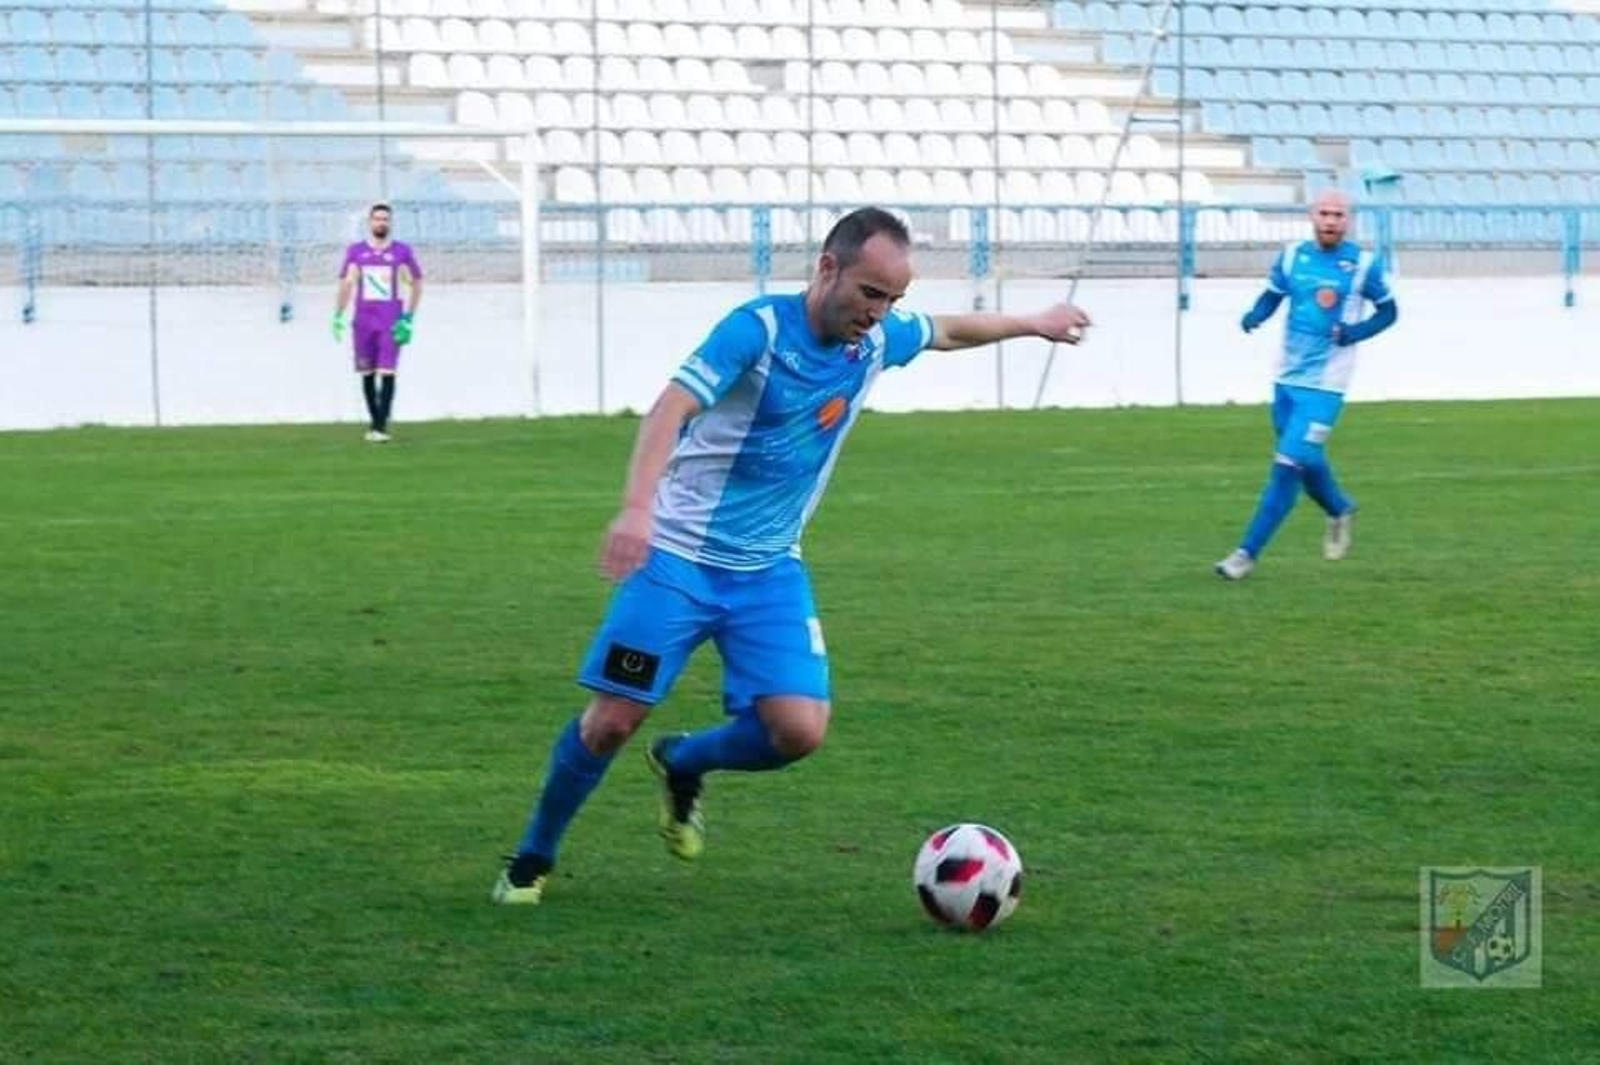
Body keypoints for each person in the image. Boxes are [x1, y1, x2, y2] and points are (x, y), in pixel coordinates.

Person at [493, 207, 1093, 904]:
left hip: (769, 571)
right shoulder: (758, 330)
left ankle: (683, 761)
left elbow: (951, 330)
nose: (880, 313)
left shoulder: (871, 344)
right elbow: (669, 408)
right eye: (871, 293)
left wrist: (1038, 321)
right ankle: (532, 856)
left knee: (798, 730)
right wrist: (635, 507)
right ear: (827, 268)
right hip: (676, 564)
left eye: (893, 300)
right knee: (611, 721)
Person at [1214, 189, 1398, 581]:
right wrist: (1255, 315)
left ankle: (1245, 554)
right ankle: (1338, 508)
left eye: (1338, 215)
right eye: (1324, 213)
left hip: (1326, 386)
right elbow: (1273, 295)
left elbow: (1389, 312)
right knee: (1305, 460)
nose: (1330, 221)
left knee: (1286, 465)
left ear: (1348, 221)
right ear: (1312, 216)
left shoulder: (1363, 265)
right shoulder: (1293, 255)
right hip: (1286, 379)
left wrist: (1354, 332)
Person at [331, 204, 423, 443]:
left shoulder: (401, 252)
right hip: (363, 322)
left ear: (390, 223)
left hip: (390, 322)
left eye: (385, 219)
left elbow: (416, 283)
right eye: (377, 219)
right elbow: (347, 284)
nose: (381, 222)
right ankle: (375, 422)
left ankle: (380, 427)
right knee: (367, 373)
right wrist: (338, 315)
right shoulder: (356, 252)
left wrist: (409, 317)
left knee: (388, 372)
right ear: (369, 222)